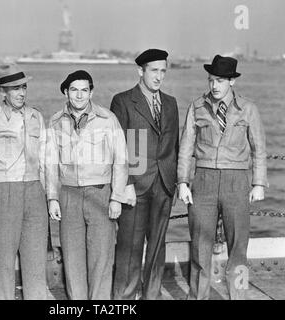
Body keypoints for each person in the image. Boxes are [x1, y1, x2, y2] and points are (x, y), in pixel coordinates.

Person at [177, 55, 267, 300]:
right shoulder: (196, 107)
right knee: (199, 248)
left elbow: (259, 148)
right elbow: (185, 147)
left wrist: (258, 183)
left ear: (232, 82)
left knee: (238, 248)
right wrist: (183, 182)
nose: (214, 86)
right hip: (203, 181)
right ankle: (198, 297)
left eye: (219, 81)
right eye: (211, 80)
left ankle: (238, 296)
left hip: (237, 183)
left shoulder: (248, 109)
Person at [46, 70, 128, 300]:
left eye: (84, 90)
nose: (79, 95)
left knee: (101, 259)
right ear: (66, 92)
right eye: (74, 90)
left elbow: (121, 160)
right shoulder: (55, 121)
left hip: (100, 194)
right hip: (68, 195)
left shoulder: (107, 119)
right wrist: (52, 197)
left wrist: (116, 198)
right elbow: (50, 163)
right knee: (72, 260)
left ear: (91, 92)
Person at [0, 63, 48, 300]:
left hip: (34, 192)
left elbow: (45, 160)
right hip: (3, 194)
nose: (21, 92)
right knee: (3, 266)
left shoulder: (36, 117)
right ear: (3, 92)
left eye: (23, 87)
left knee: (36, 266)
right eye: (15, 88)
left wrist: (48, 196)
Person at [110, 49, 179, 300]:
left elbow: (175, 146)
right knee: (129, 250)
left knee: (157, 249)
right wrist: (125, 183)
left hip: (164, 186)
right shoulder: (123, 101)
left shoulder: (170, 103)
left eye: (163, 71)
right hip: (134, 188)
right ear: (140, 71)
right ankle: (124, 300)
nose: (159, 76)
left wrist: (179, 181)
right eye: (154, 71)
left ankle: (152, 296)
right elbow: (117, 148)